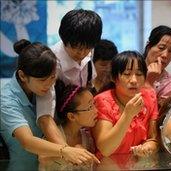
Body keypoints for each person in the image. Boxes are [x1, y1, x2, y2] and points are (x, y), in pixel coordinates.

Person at [0, 39, 99, 170]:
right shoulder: (6, 100)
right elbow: (27, 141)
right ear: (22, 76)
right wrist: (66, 150)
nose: (49, 84)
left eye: (53, 77)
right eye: (42, 80)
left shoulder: (42, 88)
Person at [36, 9, 102, 147]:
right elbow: (45, 116)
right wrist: (65, 150)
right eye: (76, 48)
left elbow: (90, 86)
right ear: (64, 39)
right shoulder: (51, 63)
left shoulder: (88, 52)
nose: (82, 53)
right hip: (55, 131)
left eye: (87, 48)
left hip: (80, 129)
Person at [92, 51, 159, 158]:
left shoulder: (149, 97)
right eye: (127, 74)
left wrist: (147, 147)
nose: (134, 80)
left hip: (138, 164)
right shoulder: (102, 101)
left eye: (139, 74)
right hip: (106, 164)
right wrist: (128, 115)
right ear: (113, 78)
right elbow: (105, 149)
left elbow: (153, 138)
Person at [39, 81, 99, 169]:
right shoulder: (53, 136)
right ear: (71, 116)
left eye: (94, 104)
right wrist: (72, 152)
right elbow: (42, 157)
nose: (96, 111)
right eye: (90, 107)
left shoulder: (87, 138)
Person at [143, 25, 171, 100]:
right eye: (161, 48)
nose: (165, 55)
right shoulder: (129, 70)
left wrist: (149, 82)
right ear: (149, 46)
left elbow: (155, 111)